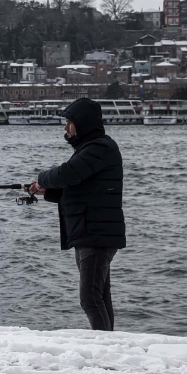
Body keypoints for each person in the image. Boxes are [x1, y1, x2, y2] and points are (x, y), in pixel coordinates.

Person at [26, 97, 125, 331]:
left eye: (69, 122)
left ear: (83, 123)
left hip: (96, 234)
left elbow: (68, 174)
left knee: (90, 298)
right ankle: (110, 343)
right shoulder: (91, 149)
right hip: (89, 232)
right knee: (100, 295)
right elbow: (80, 190)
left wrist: (42, 178)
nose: (65, 127)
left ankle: (106, 348)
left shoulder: (99, 148)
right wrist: (46, 192)